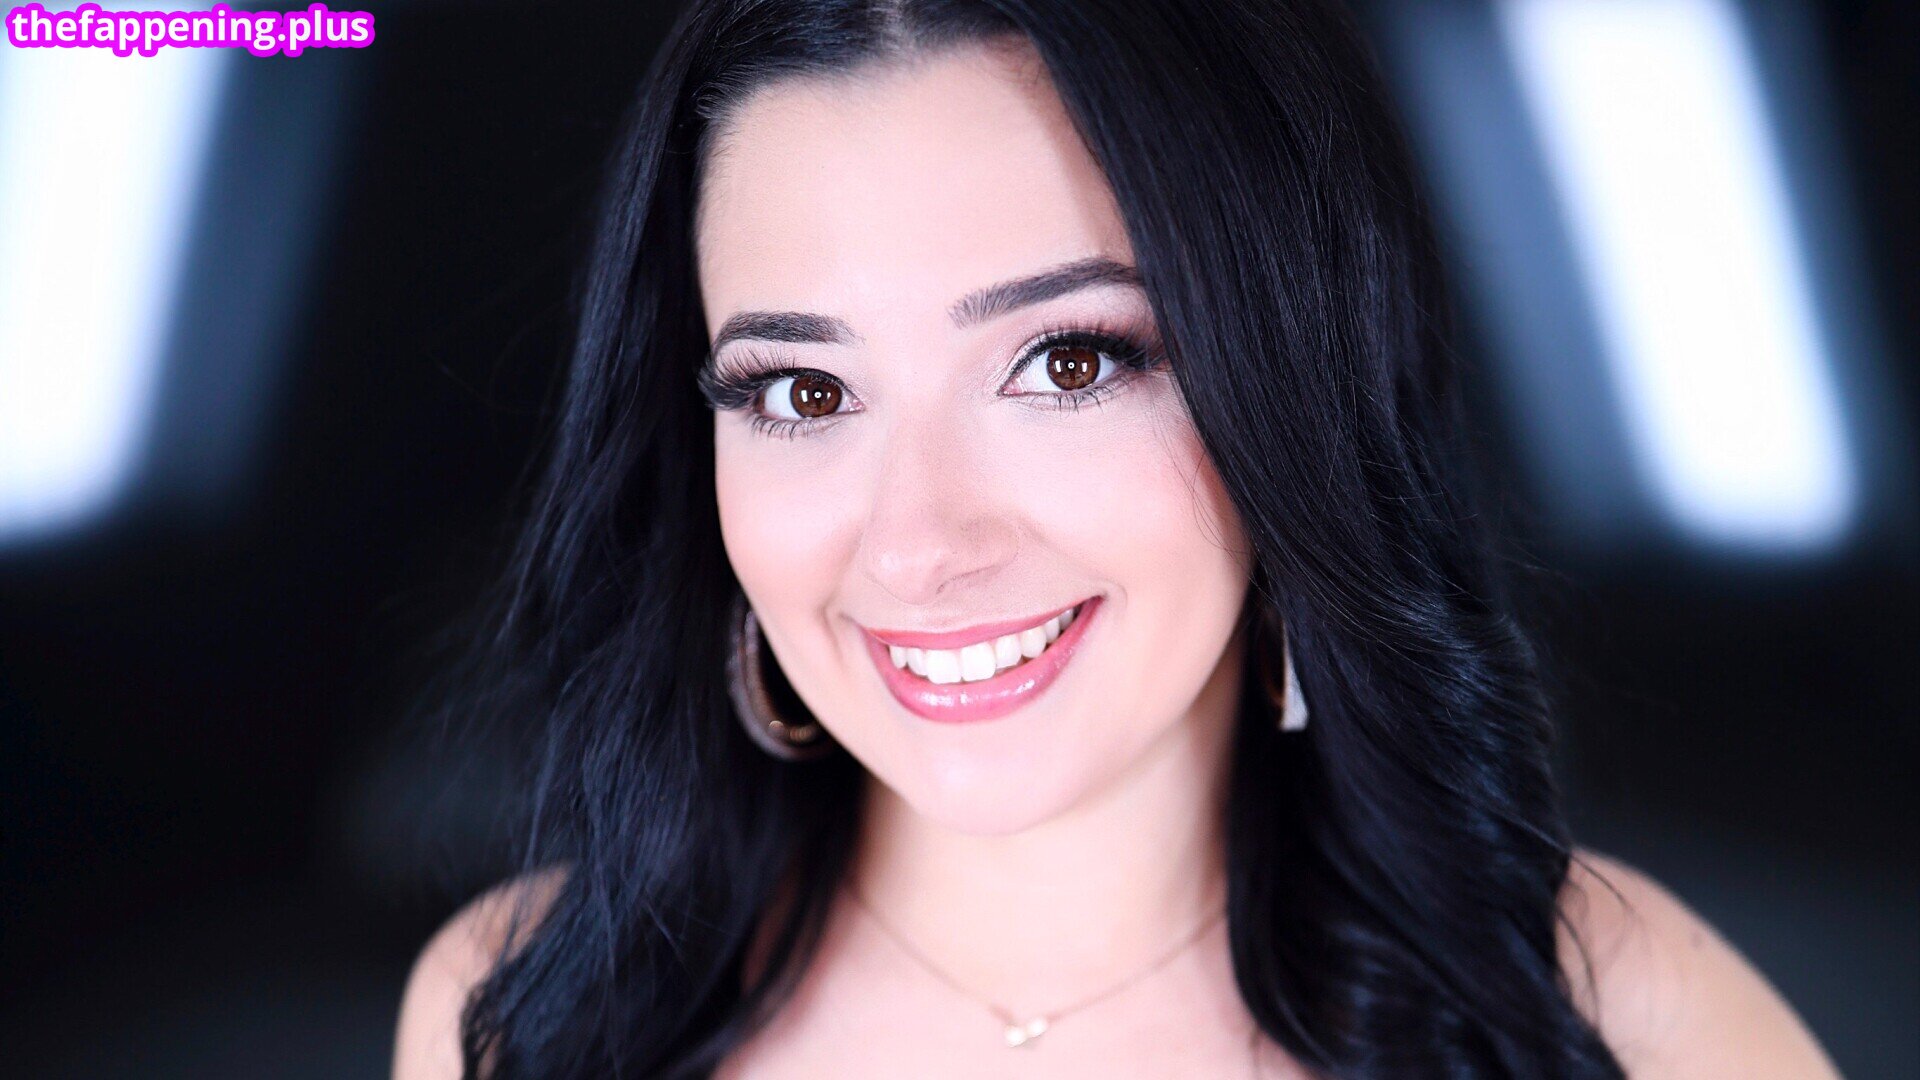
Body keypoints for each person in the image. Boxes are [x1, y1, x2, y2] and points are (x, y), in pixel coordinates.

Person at [392, 1, 1841, 1076]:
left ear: (1286, 385)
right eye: (804, 391)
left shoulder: (1610, 1017)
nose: (917, 544)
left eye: (1068, 363)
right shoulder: (528, 1016)